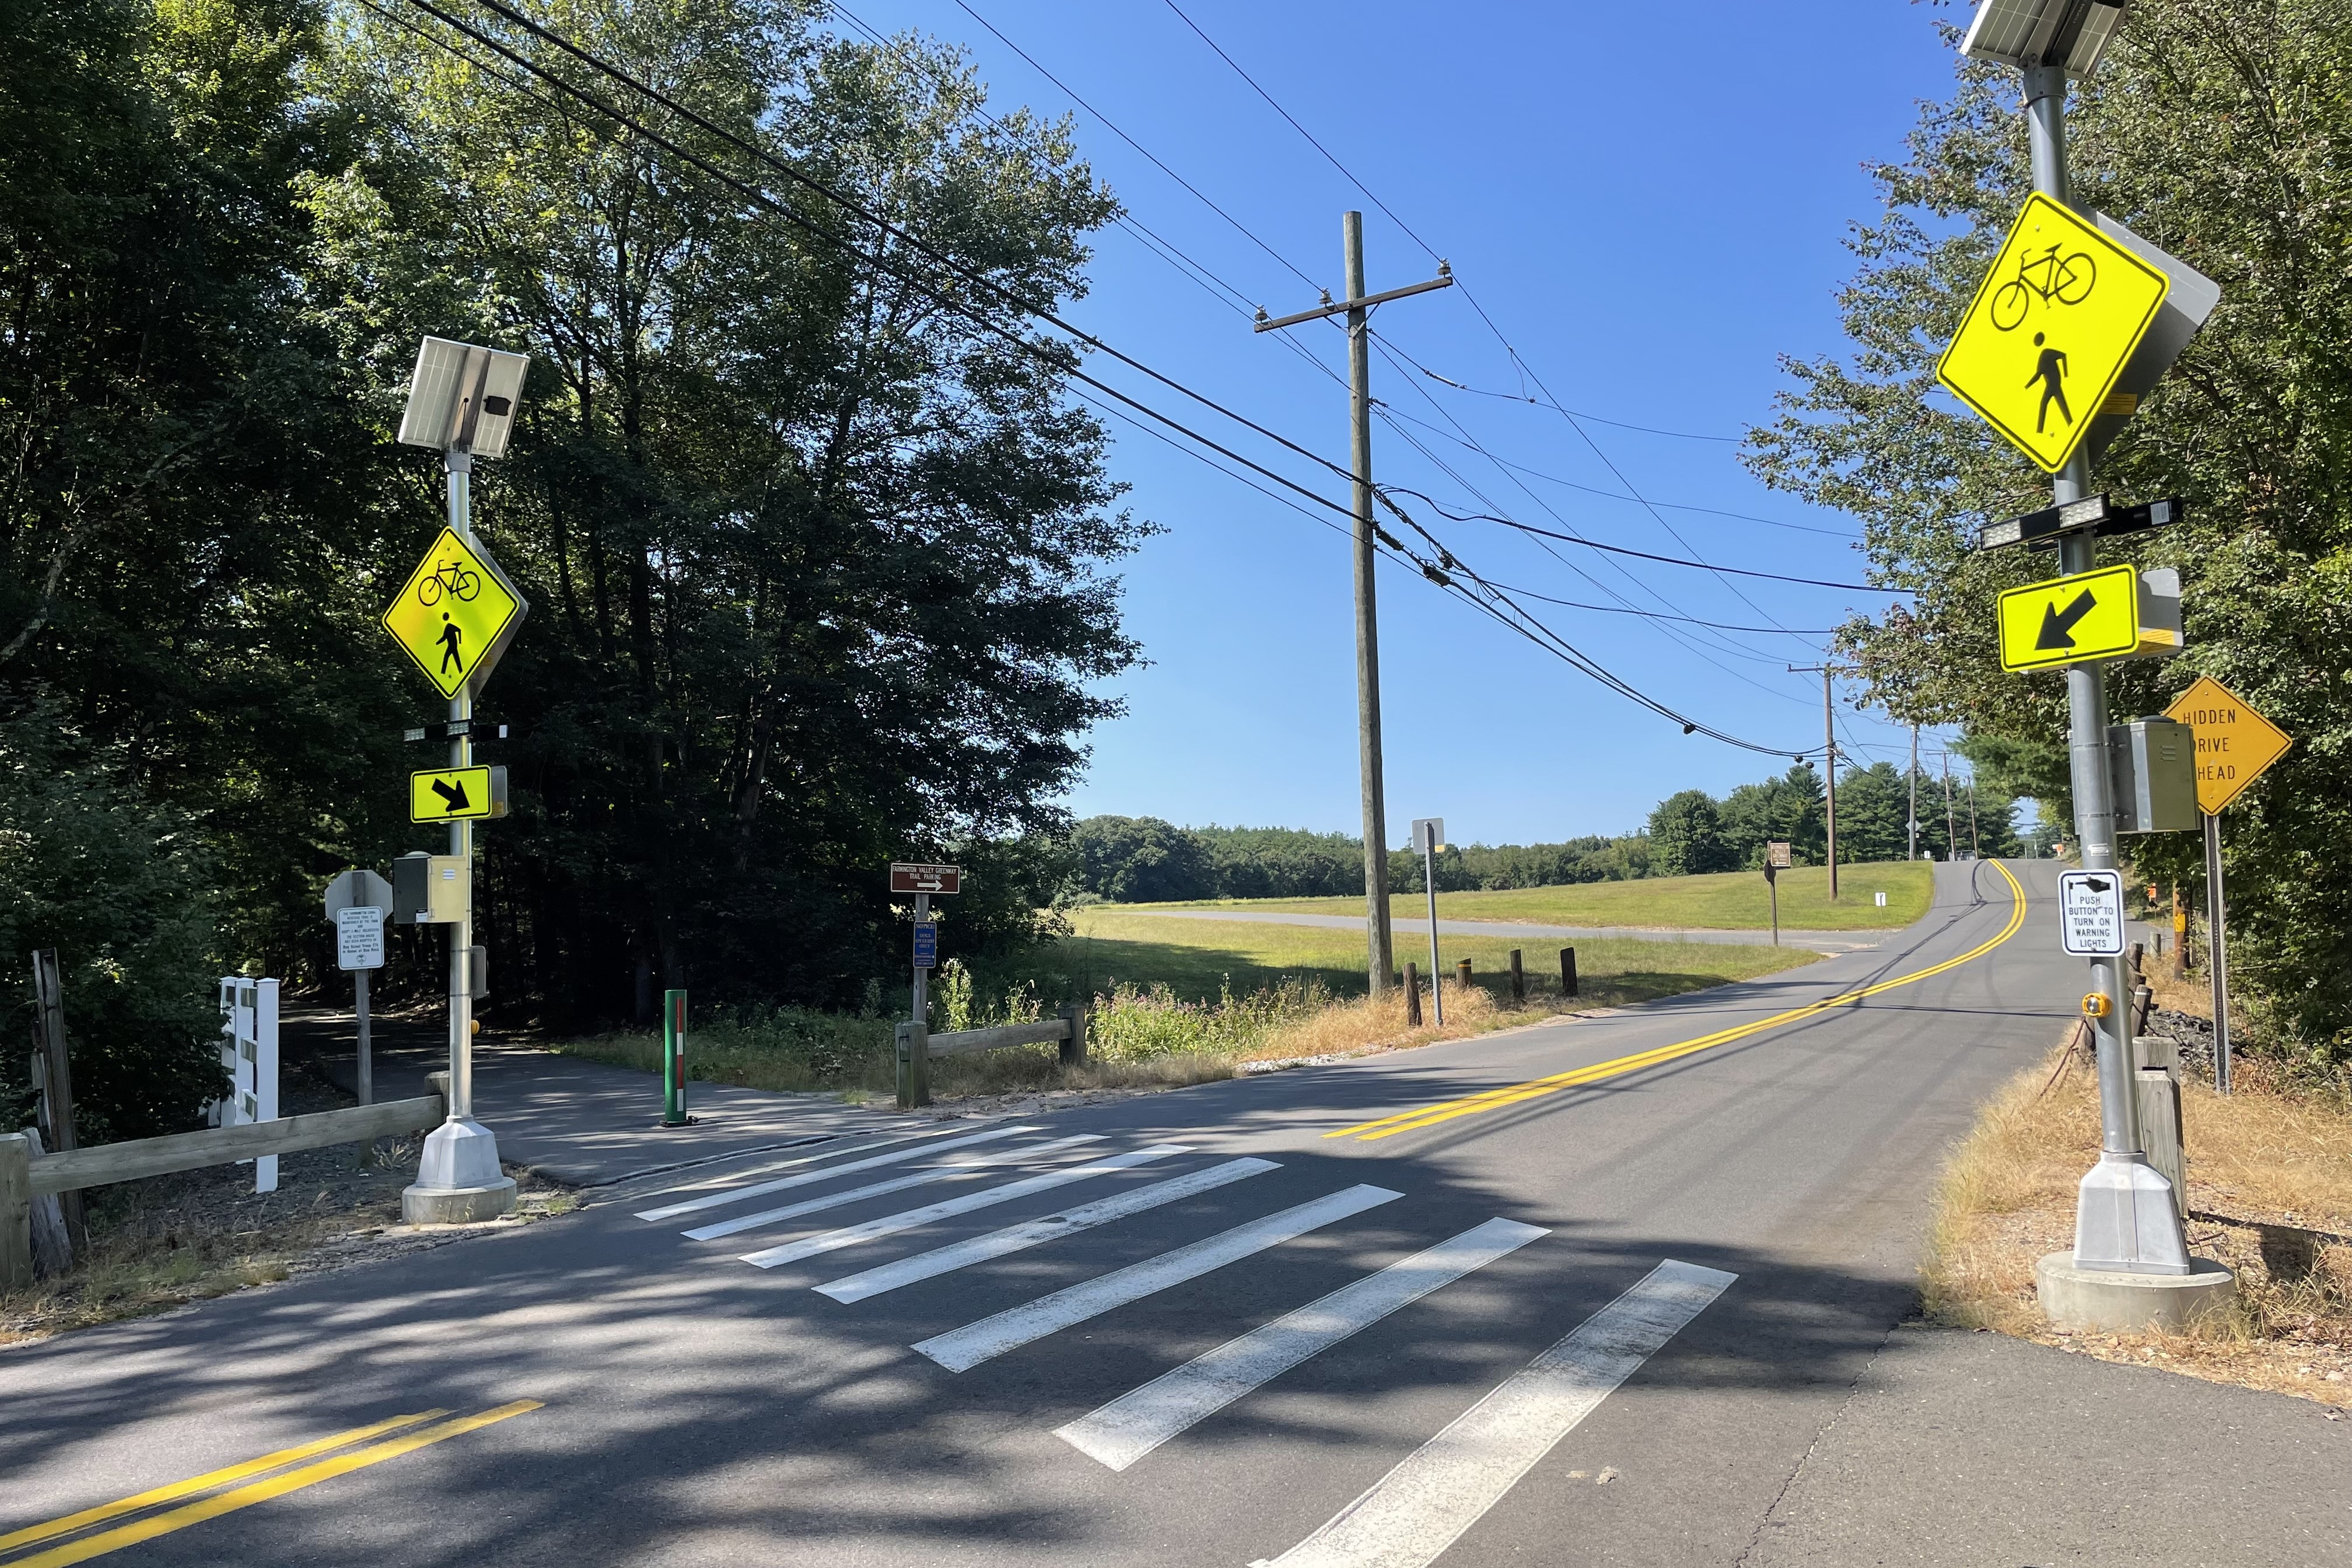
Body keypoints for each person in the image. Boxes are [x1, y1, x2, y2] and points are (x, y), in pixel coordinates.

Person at [2029, 332, 2071, 433]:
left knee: (2045, 404)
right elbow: (2038, 375)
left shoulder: (2047, 353)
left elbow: (2063, 355)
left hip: (2054, 384)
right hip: (2052, 385)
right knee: (2059, 404)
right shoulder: (2043, 357)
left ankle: (2040, 430)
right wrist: (2028, 386)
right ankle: (2070, 423)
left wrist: (2066, 374)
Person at [438, 612, 463, 676]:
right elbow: (444, 638)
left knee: (446, 657)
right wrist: (437, 643)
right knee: (456, 659)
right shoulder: (447, 627)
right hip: (452, 645)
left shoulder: (450, 626)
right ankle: (461, 671)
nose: (445, 617)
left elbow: (459, 630)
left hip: (452, 646)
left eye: (446, 616)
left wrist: (460, 641)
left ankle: (443, 672)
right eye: (444, 616)